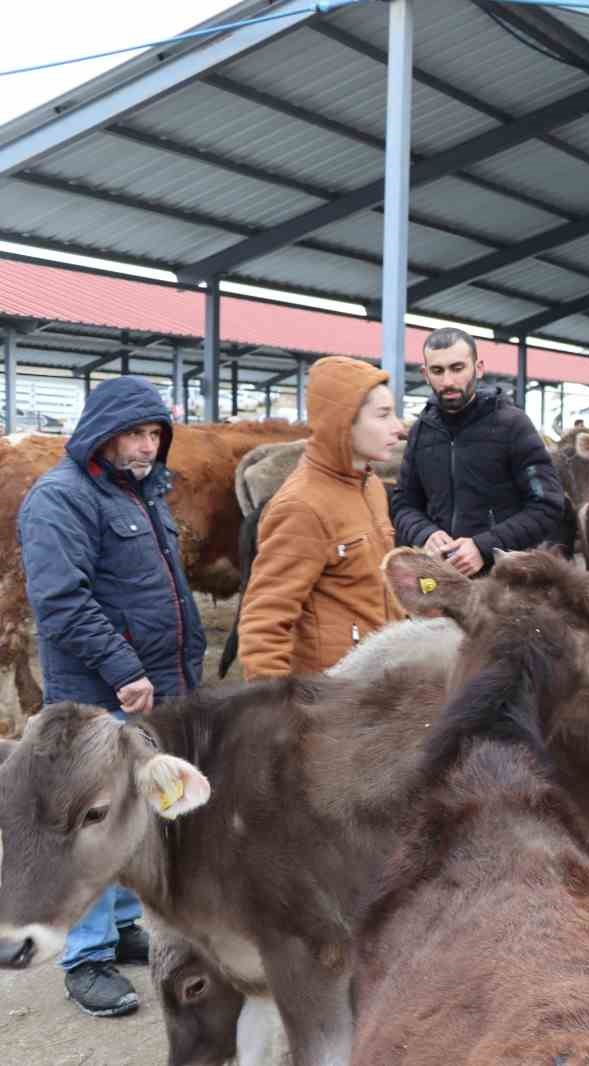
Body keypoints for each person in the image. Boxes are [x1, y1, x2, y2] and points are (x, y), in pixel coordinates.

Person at [19, 376, 207, 1017]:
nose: (148, 445)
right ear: (102, 432)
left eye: (155, 433)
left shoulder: (144, 492)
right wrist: (124, 666)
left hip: (153, 685)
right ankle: (85, 956)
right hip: (97, 689)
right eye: (134, 432)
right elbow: (61, 601)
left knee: (134, 809)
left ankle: (123, 922)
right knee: (88, 818)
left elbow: (163, 590)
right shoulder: (60, 498)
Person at [238, 357, 405, 678]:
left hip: (379, 682)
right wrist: (277, 714)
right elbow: (264, 622)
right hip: (331, 694)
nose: (398, 428)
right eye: (383, 415)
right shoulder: (302, 505)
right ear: (342, 423)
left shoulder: (370, 486)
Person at [391, 328, 564, 577]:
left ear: (478, 368)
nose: (448, 381)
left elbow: (547, 505)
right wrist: (425, 534)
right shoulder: (421, 432)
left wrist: (483, 547)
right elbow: (403, 504)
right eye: (437, 371)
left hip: (504, 580)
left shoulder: (512, 425)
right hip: (442, 576)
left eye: (457, 368)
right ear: (425, 374)